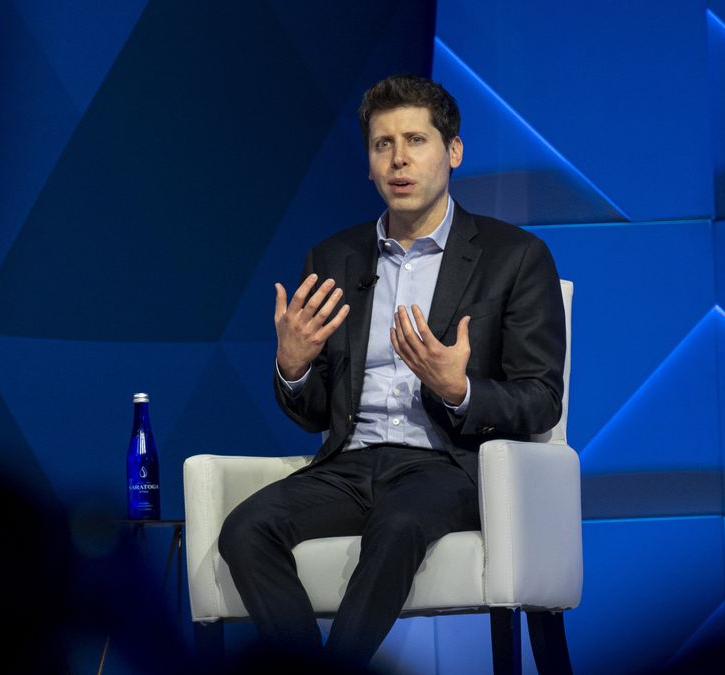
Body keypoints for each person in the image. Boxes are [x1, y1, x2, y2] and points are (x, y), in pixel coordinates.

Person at [218, 74, 566, 667]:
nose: (398, 159)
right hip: (349, 464)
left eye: (416, 141)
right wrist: (293, 367)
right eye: (383, 144)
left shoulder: (514, 257)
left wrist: (459, 390)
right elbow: (314, 414)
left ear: (453, 151)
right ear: (370, 163)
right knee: (246, 528)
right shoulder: (334, 258)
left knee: (399, 522)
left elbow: (540, 399)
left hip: (447, 465)